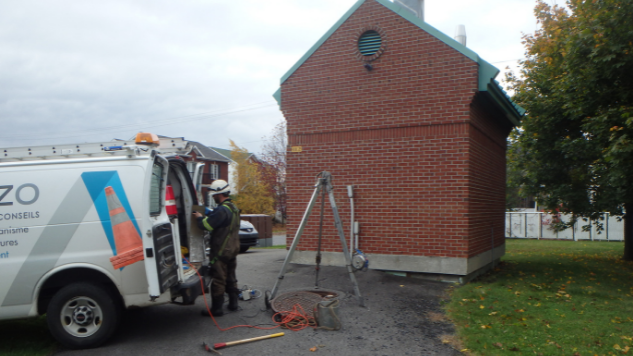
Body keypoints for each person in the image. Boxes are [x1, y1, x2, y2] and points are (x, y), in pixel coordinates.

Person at [193, 179, 241, 317]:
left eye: (213, 195)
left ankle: (217, 309)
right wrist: (209, 213)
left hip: (221, 251)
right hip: (232, 249)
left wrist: (199, 218)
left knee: (219, 279)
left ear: (218, 194)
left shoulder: (221, 210)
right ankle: (233, 304)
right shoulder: (232, 208)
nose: (213, 197)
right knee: (231, 276)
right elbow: (222, 221)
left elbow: (206, 226)